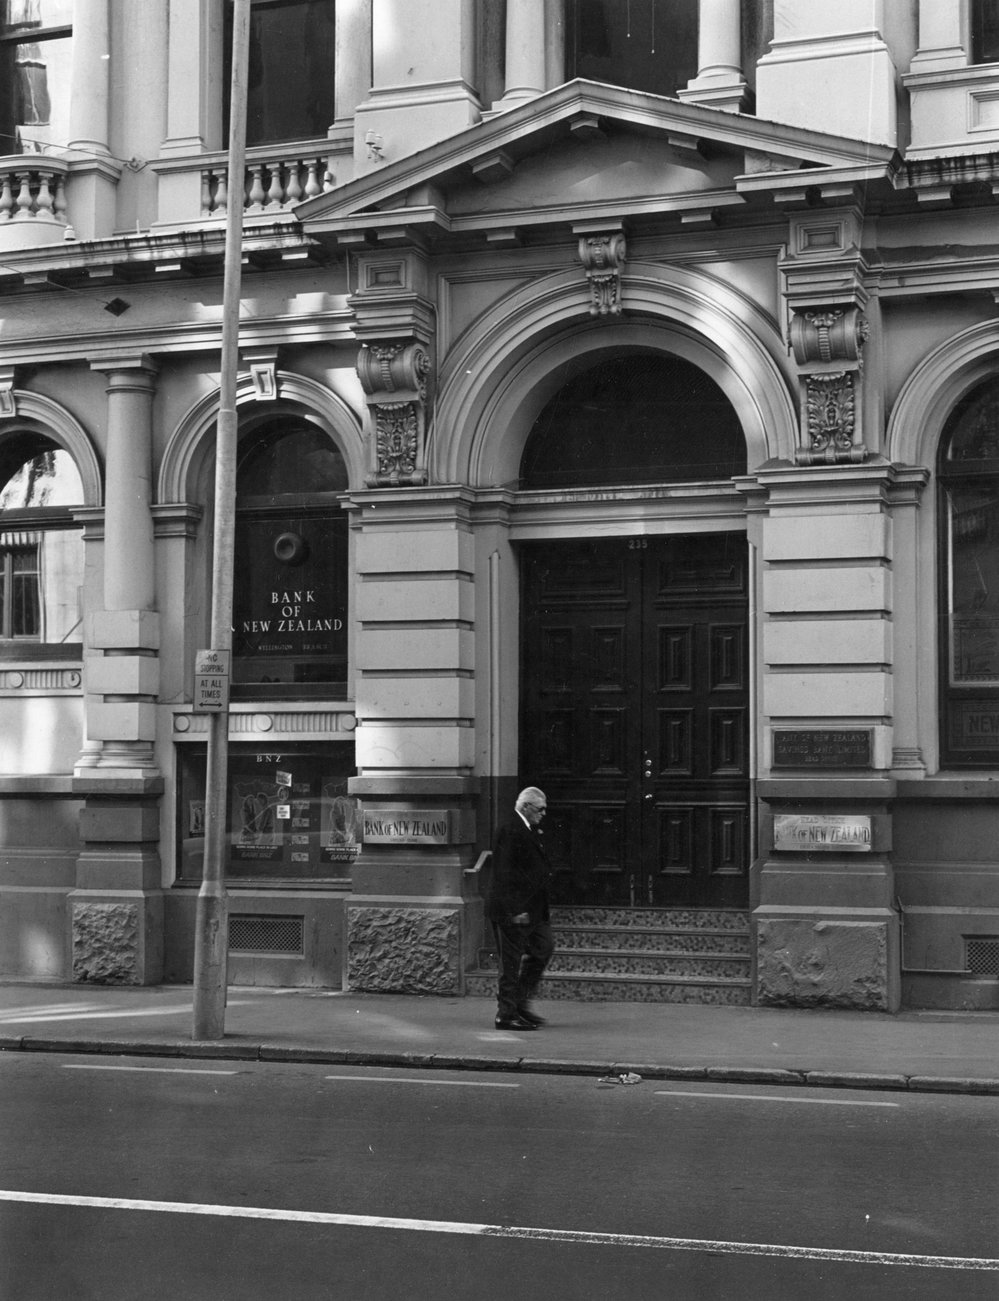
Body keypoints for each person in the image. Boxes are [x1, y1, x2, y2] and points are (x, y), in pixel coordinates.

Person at [486, 786, 555, 1031]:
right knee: (510, 963)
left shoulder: (527, 828)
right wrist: (514, 910)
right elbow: (503, 873)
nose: (543, 814)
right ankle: (506, 1014)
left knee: (543, 948)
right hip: (513, 911)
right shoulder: (510, 829)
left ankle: (519, 1004)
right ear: (526, 807)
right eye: (540, 809)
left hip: (533, 910)